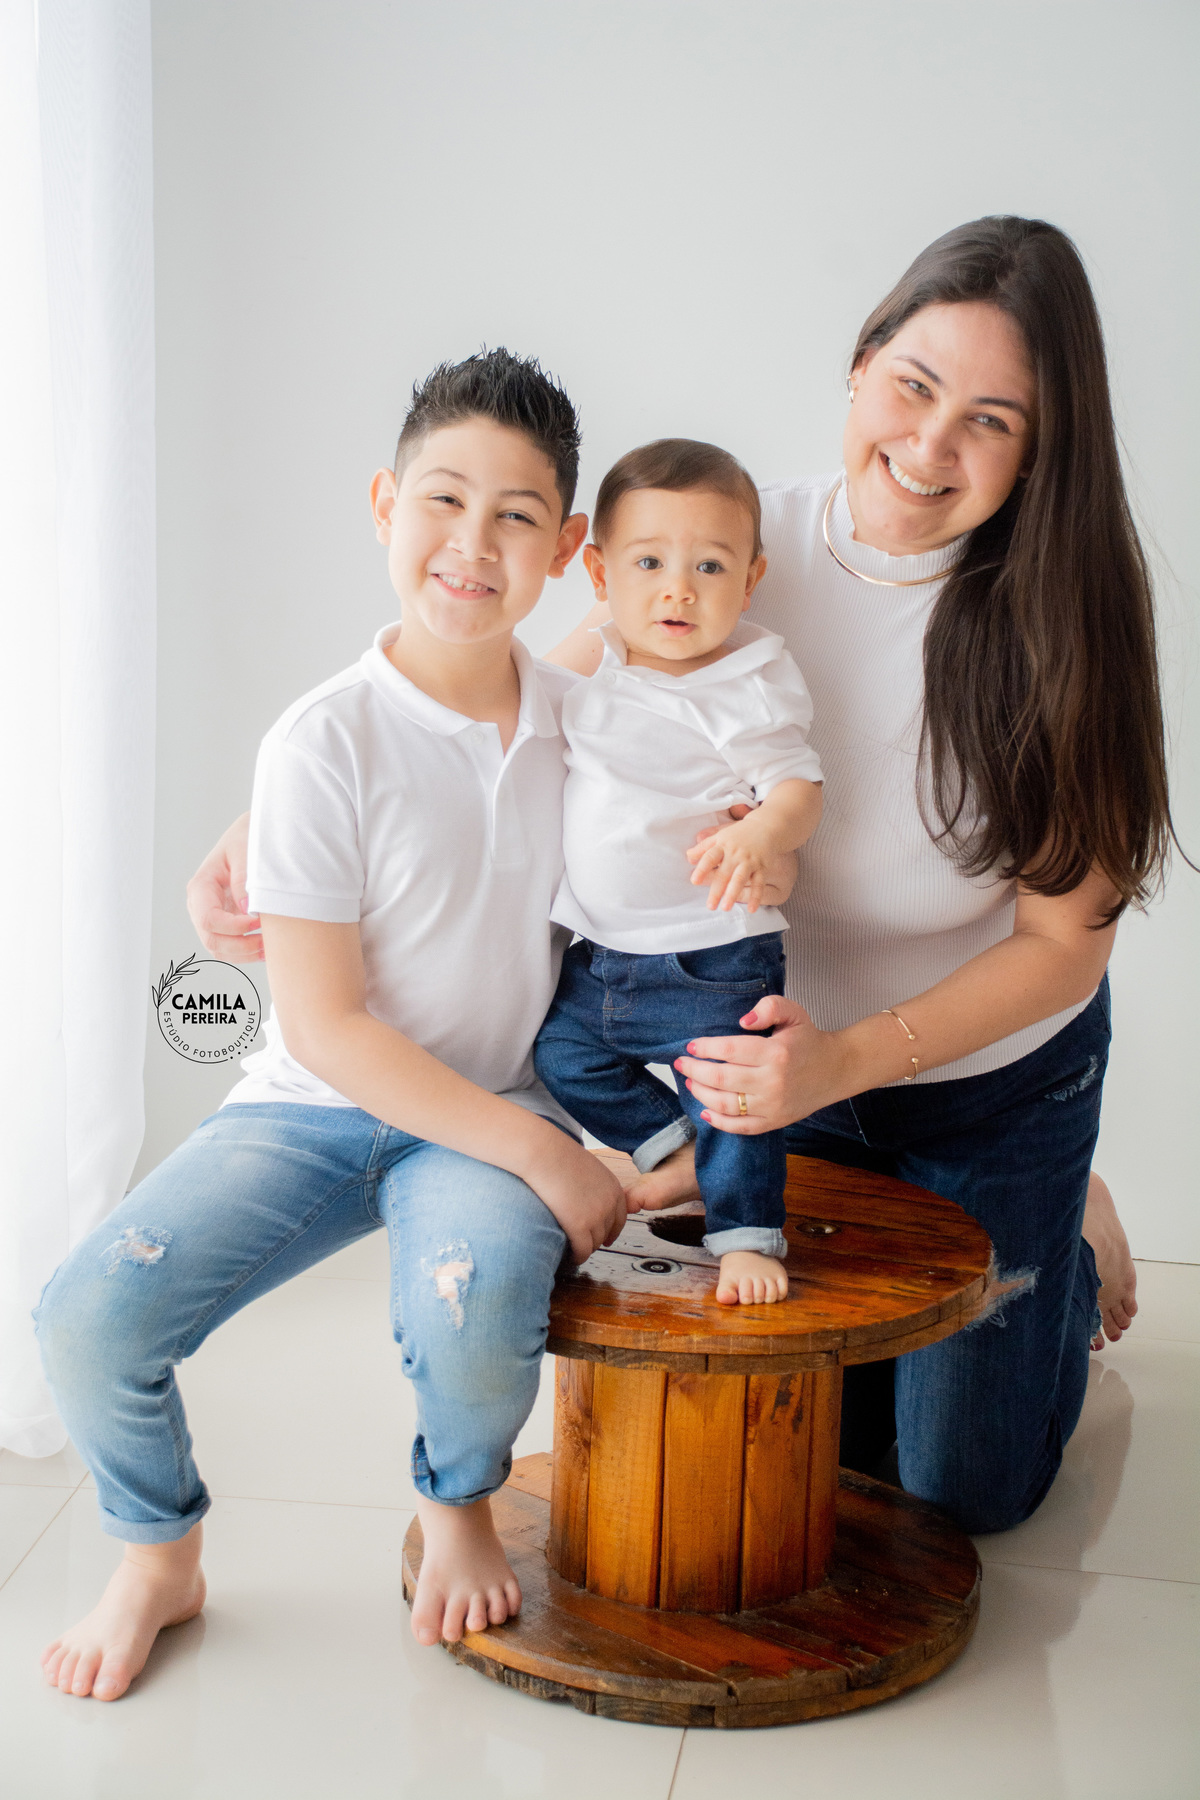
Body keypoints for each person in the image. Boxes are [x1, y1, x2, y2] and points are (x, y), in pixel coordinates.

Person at [190, 217, 1160, 1537]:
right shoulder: (733, 544)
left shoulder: (1069, 624)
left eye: (991, 422)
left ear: (1041, 449)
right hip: (766, 1065)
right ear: (861, 362)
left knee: (958, 1494)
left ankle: (1068, 1222)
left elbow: (1064, 947)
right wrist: (274, 816)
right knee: (815, 1440)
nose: (932, 445)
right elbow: (524, 688)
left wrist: (848, 1060)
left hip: (987, 1082)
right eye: (914, 386)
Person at [35, 350, 630, 1702]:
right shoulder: (320, 742)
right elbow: (325, 1023)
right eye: (443, 500)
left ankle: (457, 1503)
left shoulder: (589, 725)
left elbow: (654, 657)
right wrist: (554, 1160)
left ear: (566, 549)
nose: (471, 543)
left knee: (474, 1305)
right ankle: (157, 1554)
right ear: (382, 505)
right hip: (317, 1102)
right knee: (87, 1318)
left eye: (517, 517)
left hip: (484, 1109)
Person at [533, 439, 824, 1306]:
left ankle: (745, 1237)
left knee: (732, 1097)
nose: (678, 590)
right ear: (599, 573)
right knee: (560, 1053)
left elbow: (799, 787)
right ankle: (673, 1148)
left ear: (751, 578)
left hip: (712, 951)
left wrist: (764, 833)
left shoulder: (749, 678)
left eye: (710, 567)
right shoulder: (592, 667)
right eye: (650, 563)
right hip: (601, 952)